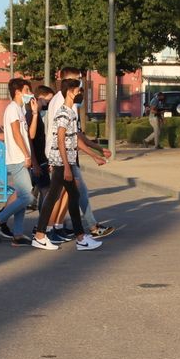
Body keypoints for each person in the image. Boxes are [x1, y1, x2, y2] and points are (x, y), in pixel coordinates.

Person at [32, 79, 106, 251]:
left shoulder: (71, 113)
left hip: (65, 161)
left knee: (71, 197)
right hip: (61, 162)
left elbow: (73, 140)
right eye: (78, 90)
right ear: (71, 92)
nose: (81, 93)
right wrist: (66, 166)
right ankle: (40, 235)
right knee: (53, 198)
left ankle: (80, 239)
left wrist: (95, 156)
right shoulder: (64, 113)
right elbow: (60, 139)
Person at [0, 77, 37, 245]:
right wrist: (27, 155)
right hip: (18, 158)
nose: (30, 94)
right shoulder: (13, 109)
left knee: (23, 196)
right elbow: (16, 134)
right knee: (28, 197)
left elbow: (26, 134)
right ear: (18, 92)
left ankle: (17, 234)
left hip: (21, 157)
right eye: (27, 91)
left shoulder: (20, 109)